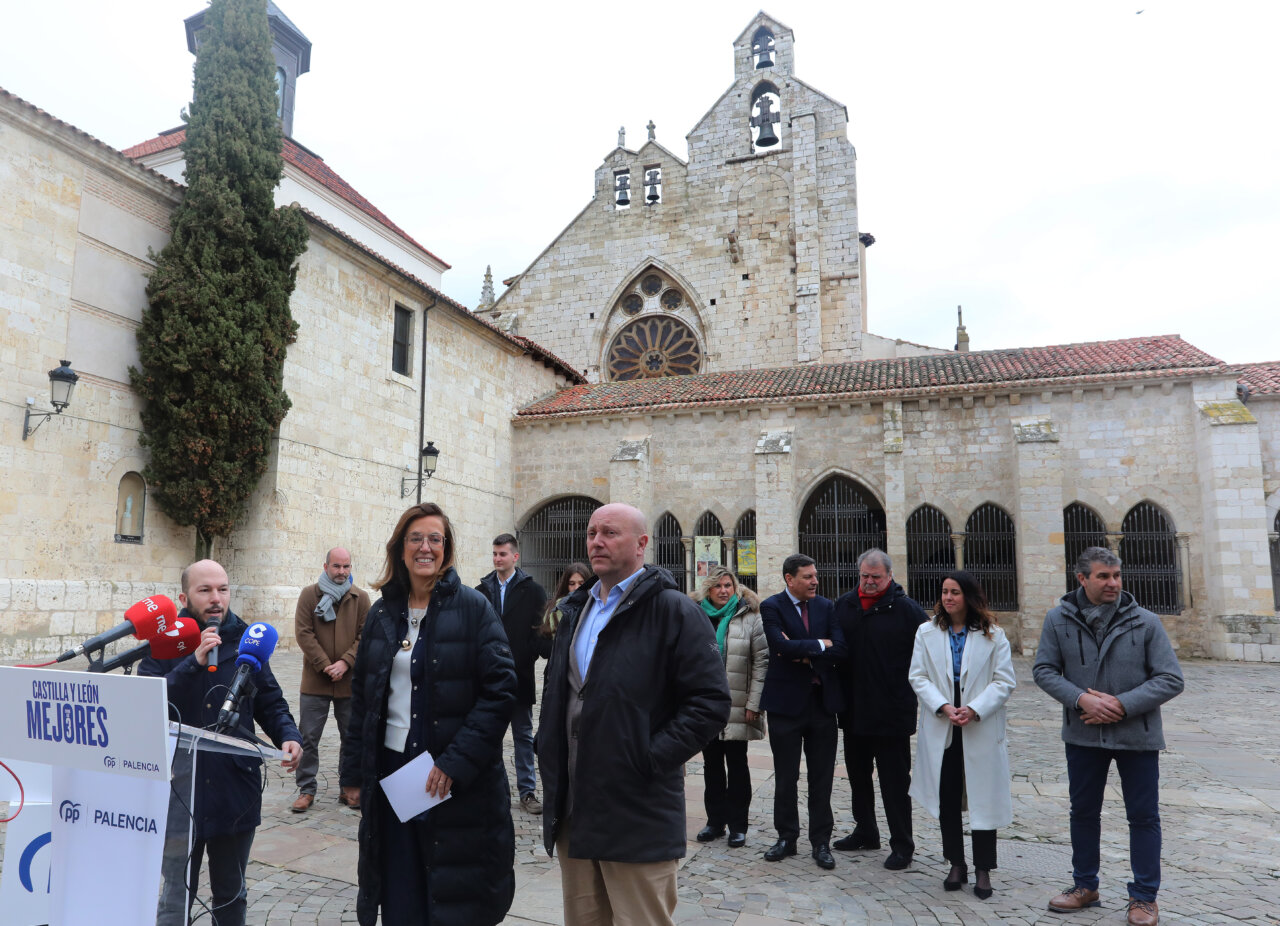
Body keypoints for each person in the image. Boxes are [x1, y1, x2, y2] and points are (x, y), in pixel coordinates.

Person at [537, 503, 730, 926]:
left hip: (636, 808)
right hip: (576, 808)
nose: (596, 541)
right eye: (591, 533)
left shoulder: (674, 610)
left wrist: (648, 757)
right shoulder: (576, 609)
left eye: (609, 532)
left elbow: (710, 701)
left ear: (642, 543)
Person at [339, 503, 518, 926]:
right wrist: (352, 772)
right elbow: (364, 697)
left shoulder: (474, 608)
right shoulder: (383, 614)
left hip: (449, 774)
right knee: (401, 889)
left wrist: (455, 761)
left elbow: (501, 690)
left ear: (447, 549)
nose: (425, 547)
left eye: (435, 539)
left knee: (453, 891)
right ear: (400, 549)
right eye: (416, 538)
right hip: (393, 770)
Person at [140, 559, 302, 926]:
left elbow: (270, 702)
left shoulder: (248, 640)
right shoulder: (163, 643)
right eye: (205, 590)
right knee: (175, 895)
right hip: (179, 791)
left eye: (223, 589)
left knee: (231, 894)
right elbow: (146, 705)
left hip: (234, 789)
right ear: (184, 596)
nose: (217, 599)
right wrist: (192, 663)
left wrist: (289, 736)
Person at [1034, 547, 1184, 926]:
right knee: (1083, 813)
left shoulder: (1146, 622)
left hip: (1138, 735)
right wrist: (1081, 697)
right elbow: (1045, 670)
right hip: (1083, 735)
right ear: (1082, 579)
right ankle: (1085, 886)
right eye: (1103, 576)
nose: (1113, 583)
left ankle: (1144, 897)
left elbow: (1170, 678)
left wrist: (1120, 704)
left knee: (1143, 817)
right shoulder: (1058, 619)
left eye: (1116, 575)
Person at [908, 571, 1016, 900]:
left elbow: (1003, 680)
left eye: (955, 592)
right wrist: (943, 706)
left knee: (983, 797)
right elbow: (918, 675)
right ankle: (956, 862)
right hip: (944, 724)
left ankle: (983, 868)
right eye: (944, 592)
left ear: (969, 596)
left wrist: (974, 708)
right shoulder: (926, 632)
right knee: (949, 797)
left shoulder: (993, 635)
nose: (948, 598)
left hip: (977, 723)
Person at [832, 548, 928, 870]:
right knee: (859, 778)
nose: (869, 582)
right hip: (854, 711)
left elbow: (928, 657)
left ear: (890, 576)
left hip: (891, 714)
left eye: (876, 577)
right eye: (864, 576)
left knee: (894, 783)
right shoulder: (844, 605)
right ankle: (866, 831)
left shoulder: (907, 610)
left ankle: (902, 843)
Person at [759, 553, 847, 870]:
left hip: (822, 704)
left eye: (815, 575)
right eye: (808, 577)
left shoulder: (826, 606)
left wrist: (805, 650)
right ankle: (786, 837)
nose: (815, 581)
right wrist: (819, 647)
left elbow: (841, 648)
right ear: (789, 579)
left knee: (821, 778)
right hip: (785, 705)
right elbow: (779, 647)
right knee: (786, 776)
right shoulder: (771, 607)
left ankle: (821, 842)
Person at [690, 566, 768, 848]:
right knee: (711, 765)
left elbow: (761, 661)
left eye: (728, 585)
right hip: (706, 705)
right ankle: (714, 822)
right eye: (718, 586)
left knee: (737, 765)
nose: (724, 590)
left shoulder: (750, 615)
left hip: (738, 703)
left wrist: (754, 702)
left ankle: (738, 825)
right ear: (708, 589)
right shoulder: (697, 616)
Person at [292, 546, 370, 812]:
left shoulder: (361, 598)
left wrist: (346, 662)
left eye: (346, 567)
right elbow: (303, 633)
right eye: (337, 566)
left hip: (350, 683)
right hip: (316, 681)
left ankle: (348, 788)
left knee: (350, 737)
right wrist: (326, 665)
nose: (342, 572)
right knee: (308, 738)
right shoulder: (308, 595)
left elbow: (365, 636)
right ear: (326, 567)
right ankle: (306, 789)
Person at [476, 532, 549, 814]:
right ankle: (485, 790)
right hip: (488, 677)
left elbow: (539, 630)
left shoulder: (532, 591)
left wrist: (527, 654)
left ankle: (527, 791)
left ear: (515, 557)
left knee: (522, 735)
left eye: (502, 554)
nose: (497, 559)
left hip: (520, 675)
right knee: (486, 733)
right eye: (494, 554)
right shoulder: (481, 590)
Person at [539, 561, 591, 641]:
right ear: (566, 585)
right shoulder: (557, 607)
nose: (576, 588)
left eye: (581, 583)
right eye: (572, 583)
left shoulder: (594, 606)